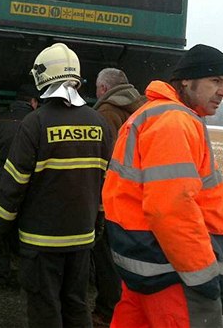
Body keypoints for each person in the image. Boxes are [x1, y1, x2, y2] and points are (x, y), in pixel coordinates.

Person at [102, 44, 223, 328]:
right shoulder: (174, 121)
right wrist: (204, 277)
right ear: (186, 80)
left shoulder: (153, 113)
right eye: (215, 81)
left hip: (144, 266)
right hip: (173, 272)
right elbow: (171, 209)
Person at [0, 43, 113, 328]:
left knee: (45, 307)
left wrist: (1, 226)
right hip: (81, 238)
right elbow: (106, 183)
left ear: (42, 78)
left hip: (40, 240)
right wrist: (97, 221)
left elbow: (14, 184)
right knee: (76, 303)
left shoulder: (35, 123)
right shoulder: (99, 123)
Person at [90, 68, 146, 325]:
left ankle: (106, 310)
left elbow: (105, 158)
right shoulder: (145, 108)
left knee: (106, 256)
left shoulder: (105, 113)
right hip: (142, 195)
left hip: (115, 197)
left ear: (103, 89)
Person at [0, 83, 39, 288]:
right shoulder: (37, 122)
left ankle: (0, 276)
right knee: (28, 229)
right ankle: (29, 275)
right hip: (30, 188)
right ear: (33, 102)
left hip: (1, 185)